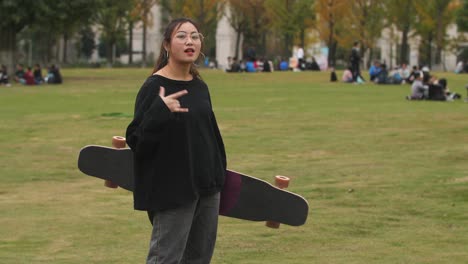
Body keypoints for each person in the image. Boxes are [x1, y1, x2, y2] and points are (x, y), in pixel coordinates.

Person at [125, 18, 227, 264]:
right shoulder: (154, 87)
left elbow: (209, 135)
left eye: (194, 36)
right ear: (167, 45)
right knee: (166, 258)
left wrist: (218, 175)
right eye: (181, 36)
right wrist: (160, 110)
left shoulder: (200, 87)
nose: (189, 41)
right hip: (172, 188)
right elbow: (137, 140)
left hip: (207, 187)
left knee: (199, 258)